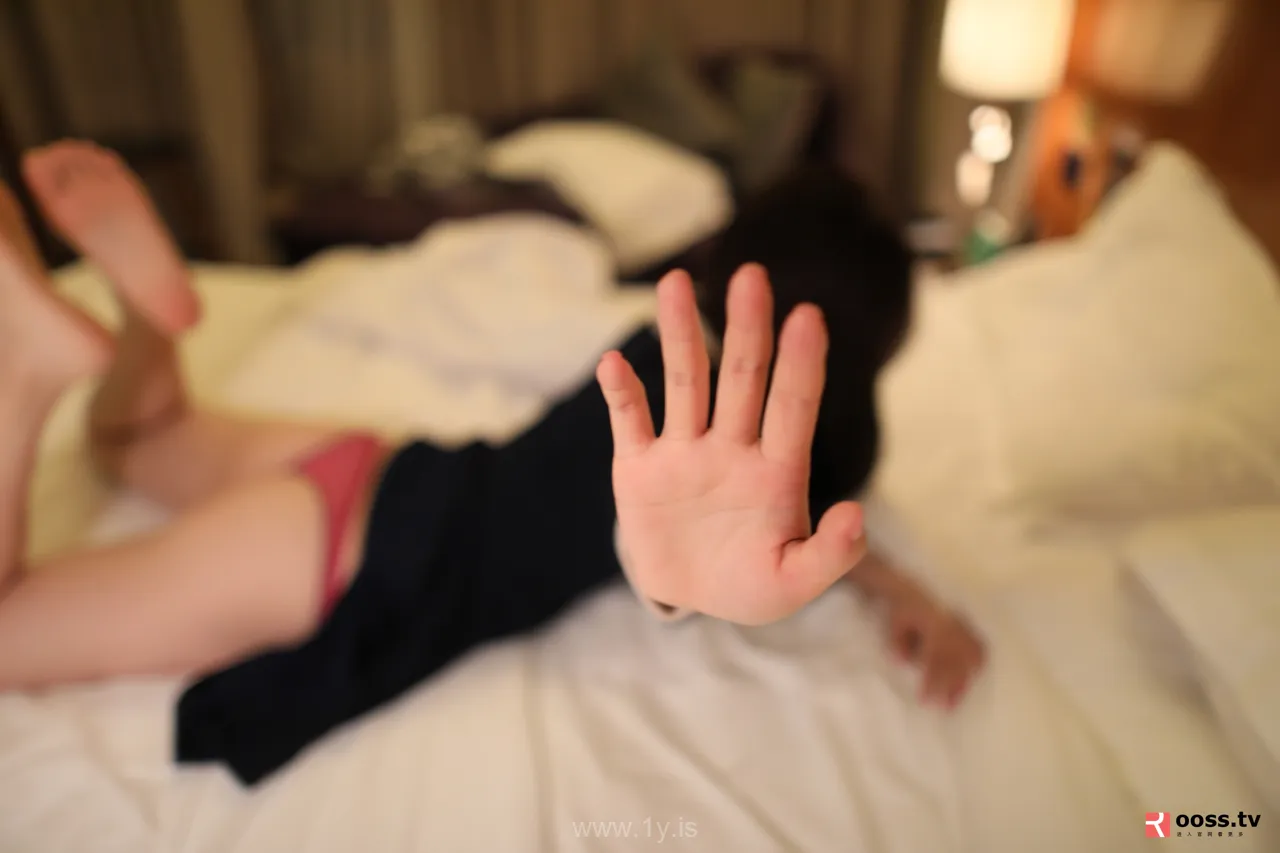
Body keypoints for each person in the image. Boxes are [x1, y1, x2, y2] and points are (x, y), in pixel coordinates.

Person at [0, 141, 983, 785]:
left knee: (132, 438)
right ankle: (25, 381)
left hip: (389, 466)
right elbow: (731, 551)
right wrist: (896, 589)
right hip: (340, 552)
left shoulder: (664, 350)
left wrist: (891, 585)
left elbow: (744, 548)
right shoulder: (775, 463)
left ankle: (147, 314)